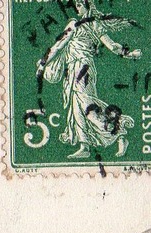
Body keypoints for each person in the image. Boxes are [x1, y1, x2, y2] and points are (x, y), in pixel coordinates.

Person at [37, 0, 141, 159]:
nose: (76, 8)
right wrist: (130, 54)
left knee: (87, 106)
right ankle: (84, 146)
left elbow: (58, 46)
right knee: (76, 107)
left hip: (82, 70)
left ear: (88, 6)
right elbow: (112, 46)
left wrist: (44, 62)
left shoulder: (78, 24)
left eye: (79, 4)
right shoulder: (92, 24)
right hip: (74, 70)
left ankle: (119, 134)